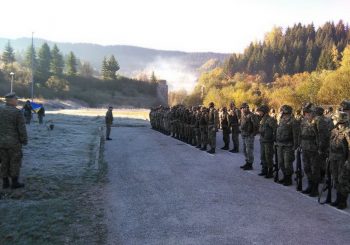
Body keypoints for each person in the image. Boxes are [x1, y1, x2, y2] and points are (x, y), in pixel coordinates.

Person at [0, 92, 28, 189]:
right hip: (14, 142)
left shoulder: (0, 109)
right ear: (11, 101)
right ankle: (15, 182)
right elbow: (22, 129)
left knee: (4, 162)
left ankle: (5, 182)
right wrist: (24, 140)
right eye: (16, 99)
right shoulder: (17, 112)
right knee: (15, 161)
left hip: (1, 142)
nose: (17, 100)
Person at [329, 111, 349, 209]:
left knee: (343, 180)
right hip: (334, 158)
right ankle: (338, 198)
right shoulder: (334, 130)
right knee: (336, 178)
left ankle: (343, 201)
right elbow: (330, 144)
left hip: (343, 159)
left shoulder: (347, 131)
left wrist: (348, 161)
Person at [300, 105, 320, 196]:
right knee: (307, 168)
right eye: (306, 113)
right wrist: (300, 145)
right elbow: (301, 134)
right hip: (305, 148)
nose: (306, 115)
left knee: (314, 169)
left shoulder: (318, 122)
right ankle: (310, 185)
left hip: (313, 149)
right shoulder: (304, 122)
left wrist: (320, 149)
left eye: (308, 113)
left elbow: (322, 136)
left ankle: (315, 189)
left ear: (313, 113)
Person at [275, 105, 298, 186]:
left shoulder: (293, 121)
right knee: (281, 162)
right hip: (280, 144)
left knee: (287, 163)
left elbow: (295, 134)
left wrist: (295, 146)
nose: (281, 112)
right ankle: (285, 176)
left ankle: (288, 178)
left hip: (288, 145)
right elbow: (278, 131)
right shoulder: (281, 119)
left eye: (283, 111)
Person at [257, 105, 277, 178]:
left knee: (268, 156)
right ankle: (264, 169)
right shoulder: (262, 119)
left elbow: (275, 129)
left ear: (264, 112)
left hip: (268, 141)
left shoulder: (269, 119)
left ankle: (270, 171)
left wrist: (274, 139)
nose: (259, 113)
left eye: (260, 112)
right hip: (262, 140)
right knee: (263, 156)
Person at [239, 102, 256, 170]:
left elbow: (255, 125)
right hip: (244, 134)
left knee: (249, 150)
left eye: (243, 108)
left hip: (249, 135)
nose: (242, 109)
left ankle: (250, 164)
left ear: (247, 108)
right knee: (245, 150)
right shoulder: (243, 115)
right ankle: (247, 162)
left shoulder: (252, 115)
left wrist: (253, 133)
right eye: (242, 108)